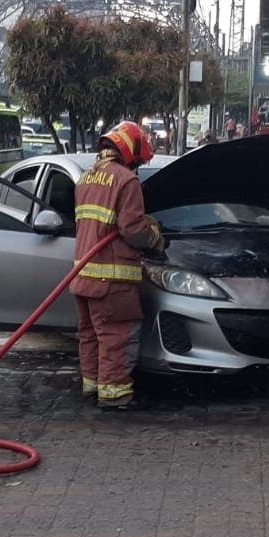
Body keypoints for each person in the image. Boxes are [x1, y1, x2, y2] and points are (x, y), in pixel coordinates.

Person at [72, 121, 166, 410]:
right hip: (112, 277)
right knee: (116, 335)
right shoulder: (126, 181)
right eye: (137, 161)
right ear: (130, 152)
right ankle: (114, 395)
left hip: (84, 274)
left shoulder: (87, 178)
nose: (136, 167)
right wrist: (155, 237)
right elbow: (132, 229)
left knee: (91, 335)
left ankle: (91, 385)